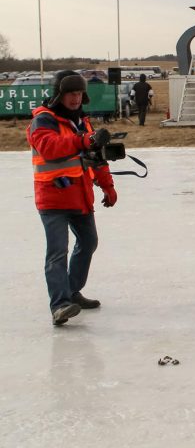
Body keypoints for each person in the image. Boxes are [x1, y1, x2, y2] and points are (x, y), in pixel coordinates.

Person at [26, 71, 117, 326]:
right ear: (59, 94)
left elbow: (95, 156)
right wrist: (82, 140)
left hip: (79, 195)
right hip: (53, 197)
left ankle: (72, 292)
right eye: (71, 93)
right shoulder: (43, 120)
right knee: (57, 253)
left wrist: (107, 185)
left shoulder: (82, 122)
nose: (76, 98)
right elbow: (50, 147)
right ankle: (60, 305)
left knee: (88, 242)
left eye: (79, 93)